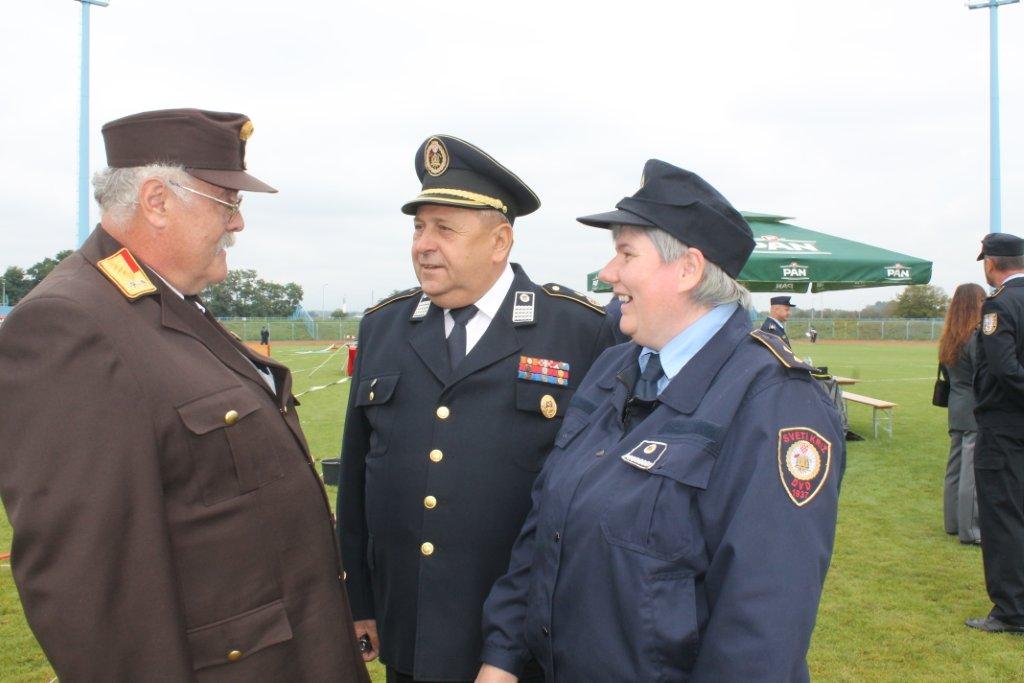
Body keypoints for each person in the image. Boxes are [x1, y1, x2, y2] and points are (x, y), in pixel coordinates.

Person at [0, 108, 370, 681]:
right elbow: (91, 583)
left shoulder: (162, 305)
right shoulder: (71, 324)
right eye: (229, 202)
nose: (239, 223)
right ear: (156, 200)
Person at [478, 159, 844, 682]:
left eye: (626, 253)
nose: (609, 274)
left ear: (689, 269)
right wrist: (504, 656)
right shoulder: (615, 367)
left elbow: (762, 624)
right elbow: (545, 528)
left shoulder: (774, 401)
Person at [336, 134, 617, 682]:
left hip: (525, 643)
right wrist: (359, 600)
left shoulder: (578, 330)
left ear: (500, 241)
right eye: (418, 227)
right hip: (409, 631)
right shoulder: (384, 327)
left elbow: (594, 502)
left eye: (445, 228)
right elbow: (358, 479)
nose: (423, 244)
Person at [966, 232, 1024, 634]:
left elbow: (1003, 370)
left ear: (991, 262)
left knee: (1003, 516)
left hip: (1004, 427)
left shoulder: (1000, 305)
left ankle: (1011, 610)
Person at [939, 283, 985, 545]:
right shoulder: (974, 337)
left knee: (955, 467)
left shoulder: (950, 337)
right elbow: (984, 374)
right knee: (971, 470)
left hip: (957, 405)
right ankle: (971, 530)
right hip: (973, 407)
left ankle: (953, 522)